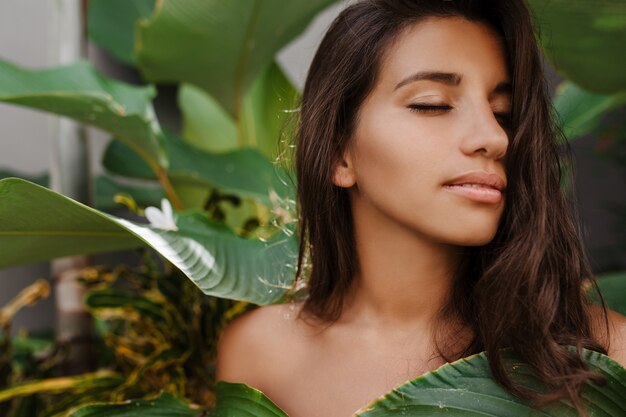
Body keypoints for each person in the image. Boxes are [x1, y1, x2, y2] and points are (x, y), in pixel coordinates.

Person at [216, 1, 626, 416]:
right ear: (340, 155)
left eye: (504, 113)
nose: (494, 137)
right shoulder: (261, 355)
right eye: (433, 104)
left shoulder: (606, 357)